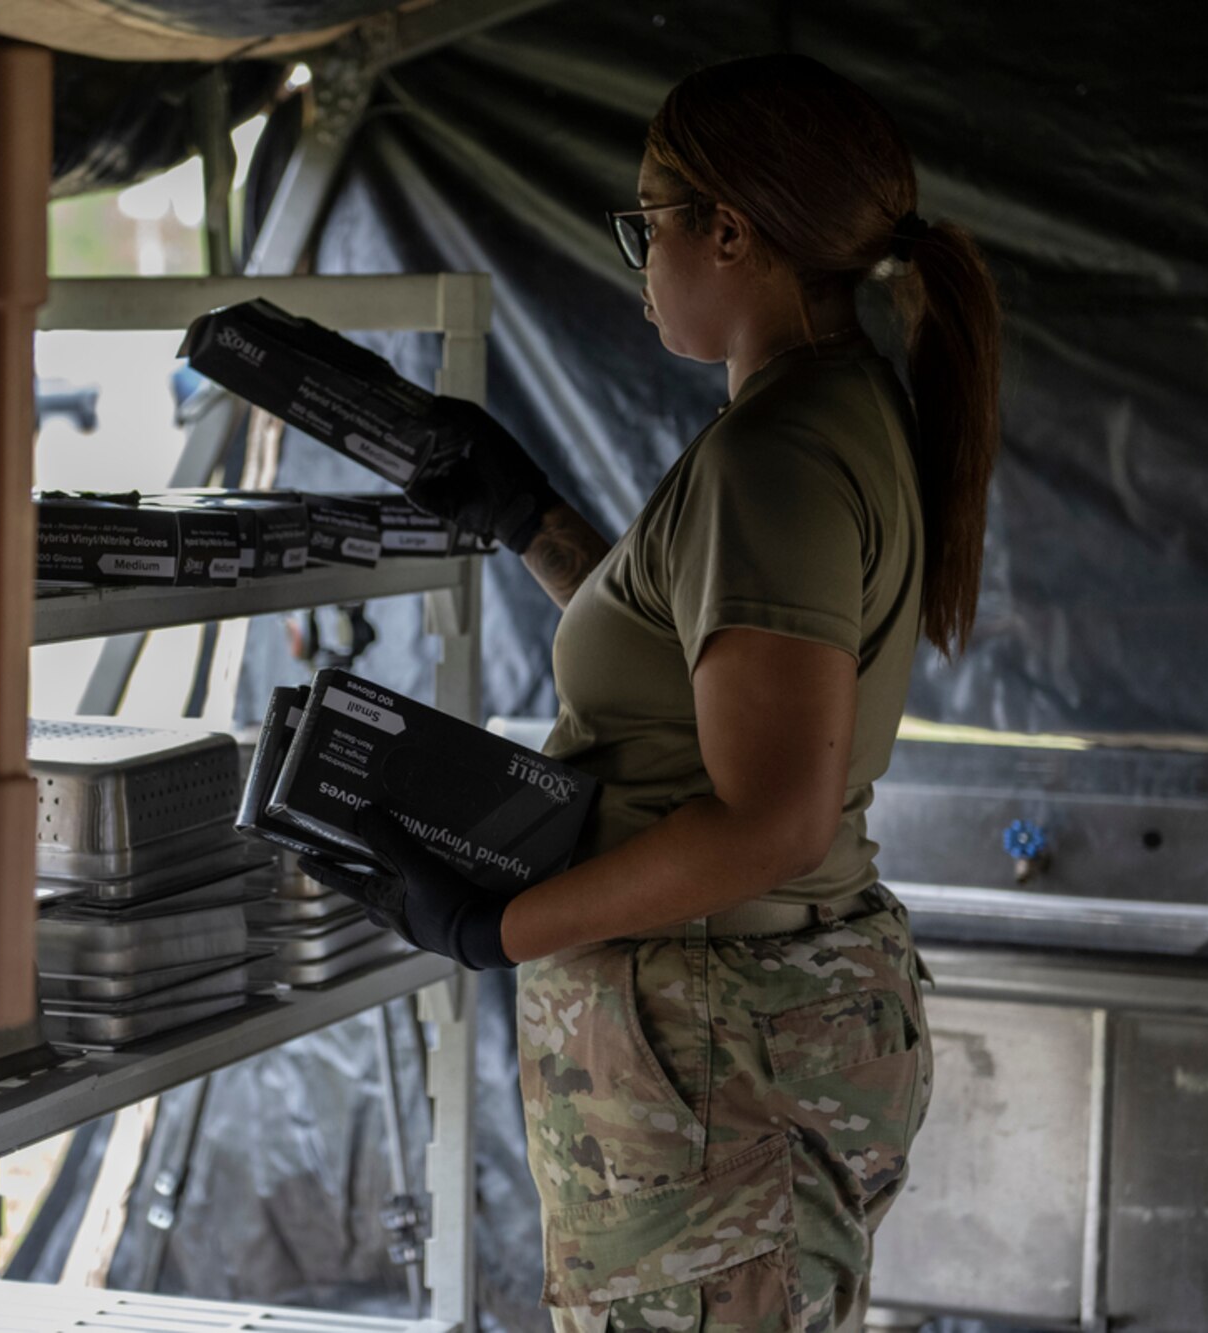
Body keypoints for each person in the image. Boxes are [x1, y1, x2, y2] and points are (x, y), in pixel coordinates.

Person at [303, 53, 1002, 1333]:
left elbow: (768, 818)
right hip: (734, 1038)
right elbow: (688, 679)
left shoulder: (776, 457)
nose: (639, 263)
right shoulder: (825, 414)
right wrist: (525, 518)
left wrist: (491, 932)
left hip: (708, 1047)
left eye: (647, 224)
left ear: (727, 230)